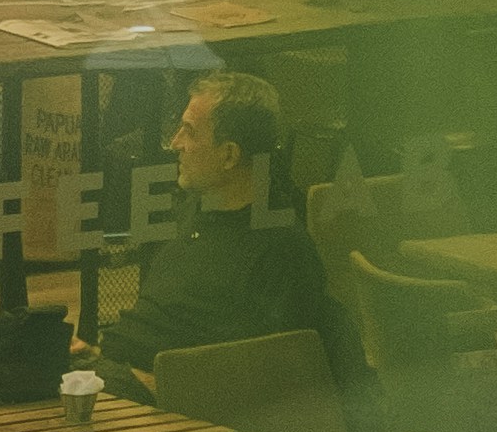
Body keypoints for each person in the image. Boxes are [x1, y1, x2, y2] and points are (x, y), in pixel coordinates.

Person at [126, 67, 352, 378]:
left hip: (172, 399)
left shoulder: (278, 250)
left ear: (229, 155)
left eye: (189, 131)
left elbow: (256, 376)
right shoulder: (191, 212)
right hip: (121, 373)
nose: (175, 143)